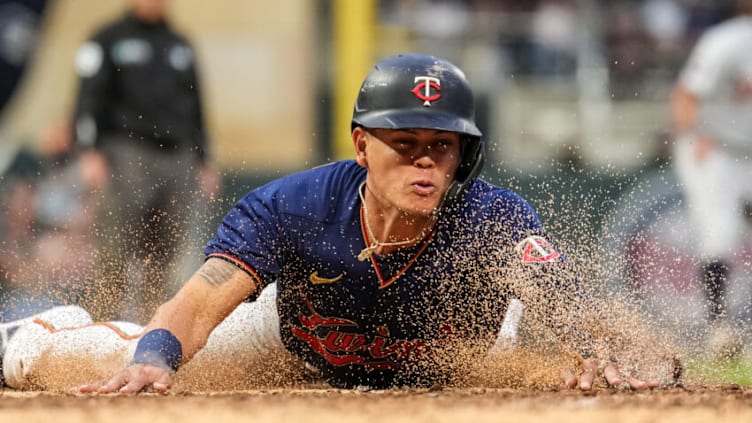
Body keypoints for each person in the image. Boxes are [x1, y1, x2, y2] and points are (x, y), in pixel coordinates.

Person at [1, 53, 678, 392]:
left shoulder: (491, 219)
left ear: (462, 154)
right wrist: (153, 356)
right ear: (361, 145)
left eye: (440, 146)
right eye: (403, 143)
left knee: (570, 371)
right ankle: (32, 331)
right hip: (289, 343)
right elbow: (204, 297)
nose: (423, 161)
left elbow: (566, 297)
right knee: (80, 361)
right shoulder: (298, 205)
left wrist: (615, 353)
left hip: (445, 363)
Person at [71, 0, 217, 323]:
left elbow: (197, 104)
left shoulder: (180, 44)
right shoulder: (106, 38)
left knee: (165, 255)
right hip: (127, 154)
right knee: (115, 251)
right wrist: (88, 150)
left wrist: (204, 159)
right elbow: (87, 96)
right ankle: (104, 328)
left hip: (178, 158)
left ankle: (155, 329)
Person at [670, 0, 752, 354]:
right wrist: (697, 130)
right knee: (720, 231)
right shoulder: (729, 40)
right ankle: (718, 327)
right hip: (713, 145)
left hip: (746, 148)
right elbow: (686, 94)